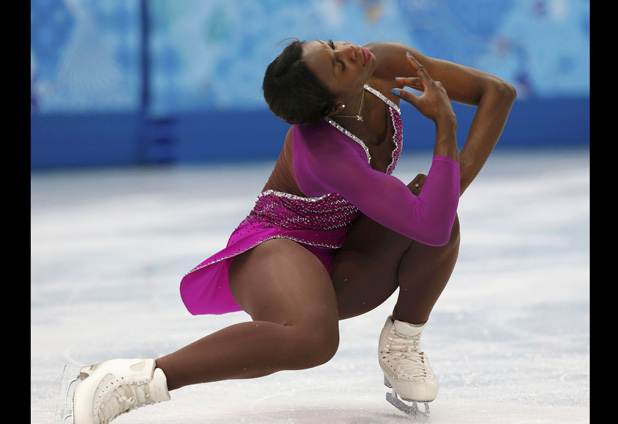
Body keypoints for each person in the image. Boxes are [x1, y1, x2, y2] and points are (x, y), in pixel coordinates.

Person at [71, 39, 516, 423]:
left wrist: (446, 189)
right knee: (312, 339)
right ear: (332, 106)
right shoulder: (324, 150)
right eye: (338, 64)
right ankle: (139, 379)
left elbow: (497, 92)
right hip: (276, 246)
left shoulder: (383, 62)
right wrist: (446, 126)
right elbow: (431, 222)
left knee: (437, 207)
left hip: (341, 250)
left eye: (332, 45)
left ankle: (402, 342)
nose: (350, 50)